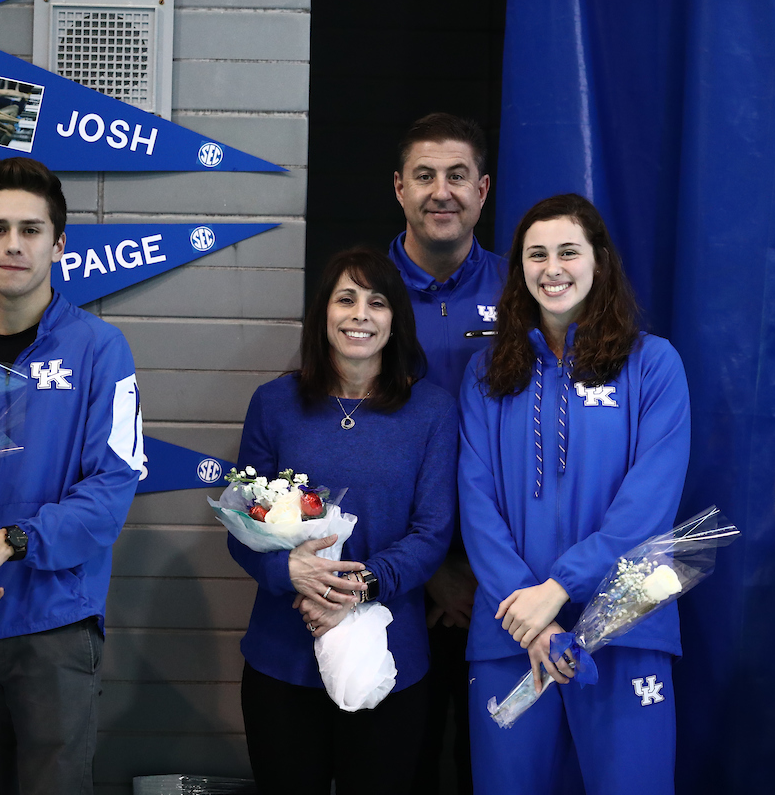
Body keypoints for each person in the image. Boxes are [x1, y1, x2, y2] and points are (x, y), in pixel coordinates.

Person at [460, 193, 691, 794]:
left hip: (623, 626)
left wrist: (559, 590)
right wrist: (528, 614)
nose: (552, 268)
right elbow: (477, 502)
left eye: (568, 251)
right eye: (536, 255)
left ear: (599, 262)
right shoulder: (486, 376)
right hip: (510, 633)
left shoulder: (653, 365)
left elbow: (648, 506)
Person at [0, 158, 145, 794]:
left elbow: (110, 491)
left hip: (54, 627)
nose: (12, 244)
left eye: (31, 230)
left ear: (59, 245)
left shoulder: (98, 349)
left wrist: (10, 542)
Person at [229, 248, 457, 793]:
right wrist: (291, 574)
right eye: (346, 299)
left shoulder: (432, 411)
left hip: (387, 657)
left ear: (395, 319)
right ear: (323, 314)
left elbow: (432, 534)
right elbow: (241, 525)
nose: (360, 315)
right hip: (283, 657)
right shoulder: (274, 403)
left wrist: (351, 586)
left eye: (377, 302)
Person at [389, 112, 506, 793]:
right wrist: (430, 569)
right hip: (395, 583)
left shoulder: (523, 293)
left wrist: (478, 571)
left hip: (502, 585)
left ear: (483, 189)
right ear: (399, 188)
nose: (442, 192)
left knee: (484, 772)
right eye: (425, 176)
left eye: (457, 176)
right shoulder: (360, 295)